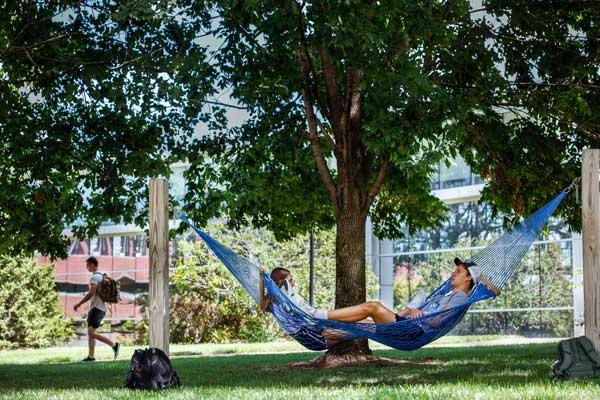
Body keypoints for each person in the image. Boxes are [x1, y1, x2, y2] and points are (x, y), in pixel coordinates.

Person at [259, 257, 480, 324]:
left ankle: (313, 313)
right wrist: (410, 311)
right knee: (350, 325)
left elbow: (436, 322)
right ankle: (285, 304)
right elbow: (419, 312)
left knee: (372, 306)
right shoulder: (445, 294)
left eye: (458, 271)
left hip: (413, 329)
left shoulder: (460, 297)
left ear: (468, 277)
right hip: (405, 323)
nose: (453, 273)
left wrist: (416, 313)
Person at [73, 256, 120, 362]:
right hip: (96, 308)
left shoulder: (95, 277)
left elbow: (91, 293)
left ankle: (114, 345)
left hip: (97, 308)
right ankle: (91, 356)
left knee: (91, 333)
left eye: (88, 265)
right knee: (90, 332)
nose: (87, 268)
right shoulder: (101, 276)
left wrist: (79, 303)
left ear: (93, 264)